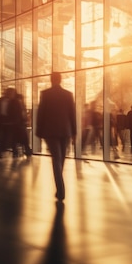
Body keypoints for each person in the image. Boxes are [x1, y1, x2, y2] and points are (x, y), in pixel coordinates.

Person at [35, 72, 76, 202]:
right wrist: (74, 132)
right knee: (61, 159)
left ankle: (60, 188)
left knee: (56, 159)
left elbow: (41, 114)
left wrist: (39, 131)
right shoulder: (68, 94)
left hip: (51, 131)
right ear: (60, 80)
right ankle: (60, 188)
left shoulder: (45, 94)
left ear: (51, 80)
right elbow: (72, 115)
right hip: (65, 131)